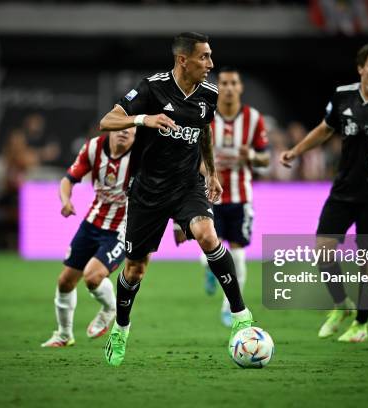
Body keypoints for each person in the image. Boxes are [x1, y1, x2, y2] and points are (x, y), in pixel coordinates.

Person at [99, 32, 254, 366]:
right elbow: (107, 120)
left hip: (187, 186)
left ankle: (241, 313)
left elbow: (204, 131)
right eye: (204, 58)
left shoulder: (208, 94)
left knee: (207, 235)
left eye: (211, 57)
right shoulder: (151, 88)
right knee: (135, 269)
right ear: (183, 60)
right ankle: (121, 328)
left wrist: (210, 172)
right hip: (148, 192)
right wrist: (144, 119)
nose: (210, 65)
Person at [280, 43, 368, 343]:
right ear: (360, 68)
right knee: (323, 250)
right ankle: (341, 306)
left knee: (367, 263)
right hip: (343, 189)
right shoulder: (343, 95)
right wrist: (296, 150)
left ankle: (361, 325)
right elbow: (325, 129)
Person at [174, 67, 269, 327]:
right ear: (219, 87)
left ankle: (229, 306)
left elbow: (265, 158)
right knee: (209, 248)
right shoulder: (206, 116)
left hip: (241, 197)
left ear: (240, 88)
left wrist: (250, 156)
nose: (228, 87)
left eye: (233, 83)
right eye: (224, 83)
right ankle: (207, 268)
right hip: (208, 196)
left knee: (237, 253)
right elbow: (190, 155)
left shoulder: (253, 119)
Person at [41, 128, 135, 347]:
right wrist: (65, 200)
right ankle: (64, 335)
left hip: (121, 228)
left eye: (130, 129)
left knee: (92, 277)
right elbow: (68, 179)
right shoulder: (93, 148)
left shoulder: (141, 155)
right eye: (120, 127)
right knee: (65, 281)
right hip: (92, 222)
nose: (124, 132)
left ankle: (110, 308)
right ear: (111, 128)